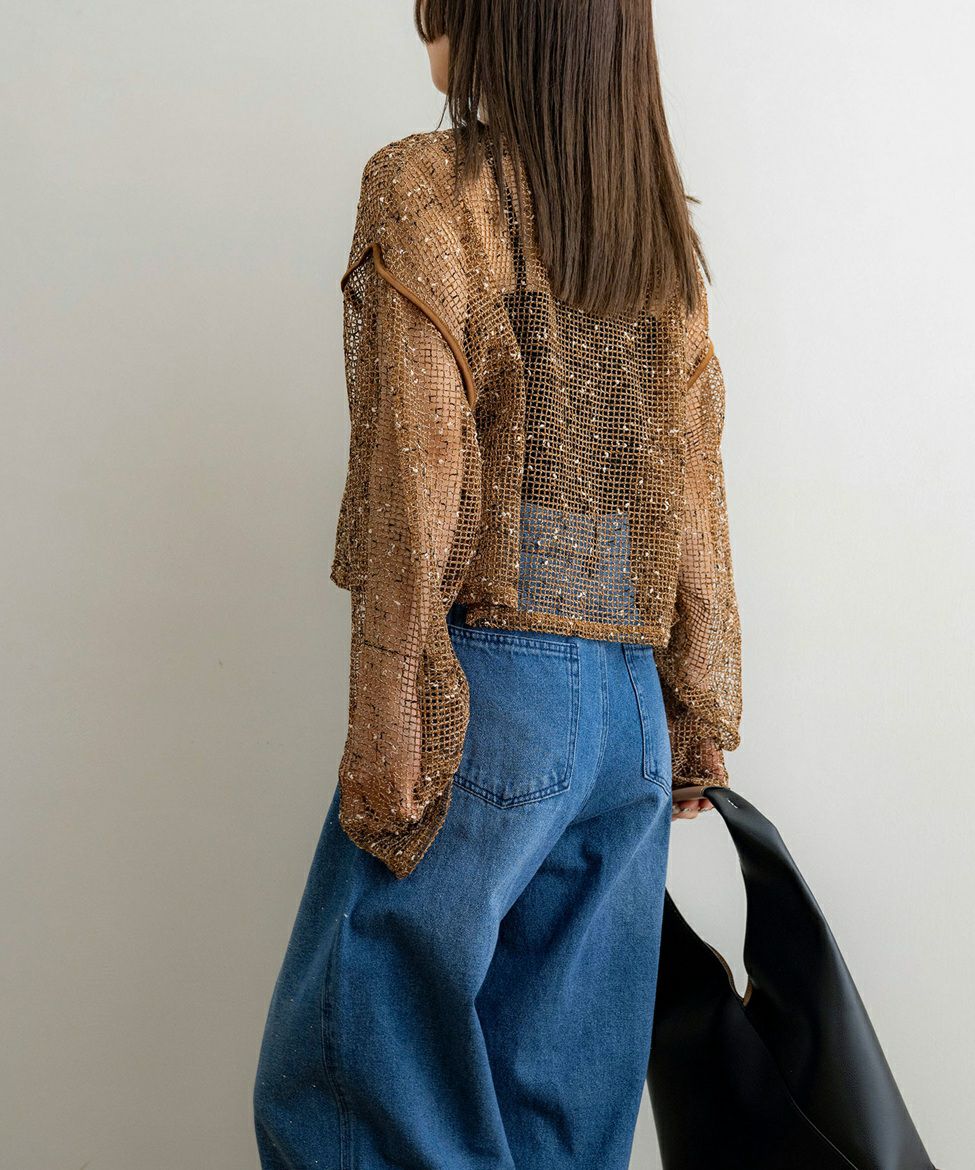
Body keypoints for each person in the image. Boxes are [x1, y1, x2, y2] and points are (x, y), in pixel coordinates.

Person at [253, 2, 742, 1167]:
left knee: (357, 1095)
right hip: (627, 715)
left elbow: (415, 479)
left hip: (486, 700)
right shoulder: (651, 234)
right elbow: (691, 489)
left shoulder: (427, 189)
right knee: (559, 1121)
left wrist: (394, 710)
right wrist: (697, 714)